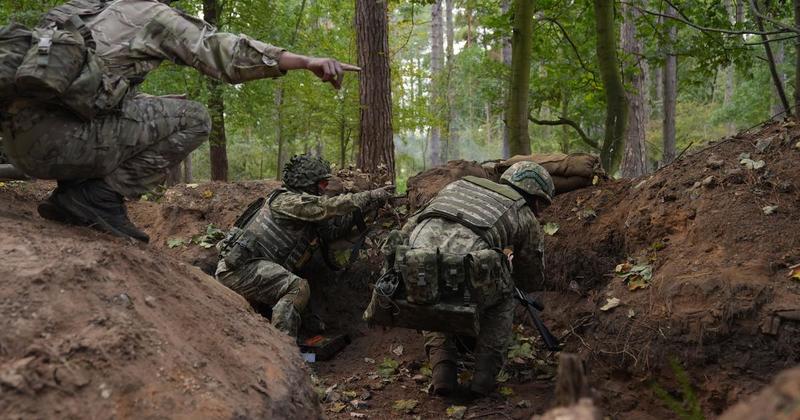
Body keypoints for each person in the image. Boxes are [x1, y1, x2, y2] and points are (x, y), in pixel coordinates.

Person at [0, 0, 359, 242]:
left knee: (149, 104)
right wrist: (304, 61)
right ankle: (95, 196)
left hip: (17, 143)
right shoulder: (152, 15)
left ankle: (75, 191)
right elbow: (223, 52)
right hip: (61, 147)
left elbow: (68, 86)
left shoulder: (81, 9)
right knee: (194, 118)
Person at [365, 161, 553, 398]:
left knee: (431, 292)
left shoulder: (457, 187)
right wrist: (507, 265)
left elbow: (411, 226)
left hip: (417, 264)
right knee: (504, 298)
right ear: (536, 199)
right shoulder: (524, 212)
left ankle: (443, 371)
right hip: (466, 273)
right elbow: (531, 277)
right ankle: (482, 381)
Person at [216, 155, 393, 337]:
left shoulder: (302, 207)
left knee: (300, 296)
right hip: (238, 271)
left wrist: (366, 208)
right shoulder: (287, 201)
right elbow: (325, 207)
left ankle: (300, 336)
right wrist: (369, 195)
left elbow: (329, 232)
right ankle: (283, 346)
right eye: (322, 184)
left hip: (254, 268)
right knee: (297, 288)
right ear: (307, 184)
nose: (325, 189)